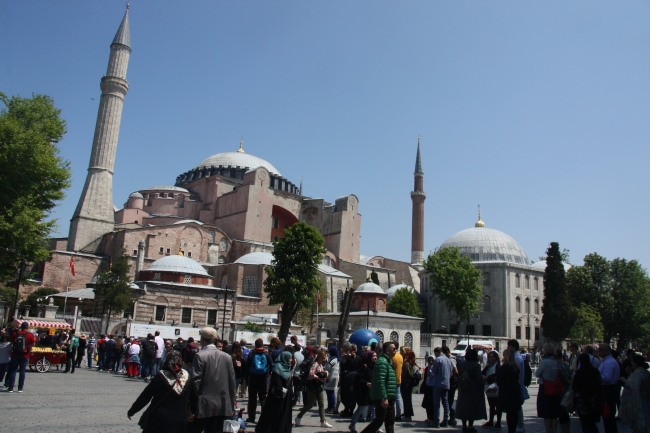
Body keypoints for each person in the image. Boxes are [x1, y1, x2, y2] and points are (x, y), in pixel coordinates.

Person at [128, 350, 193, 433]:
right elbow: (194, 397)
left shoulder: (160, 376)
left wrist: (132, 411)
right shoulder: (187, 377)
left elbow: (145, 396)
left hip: (158, 419)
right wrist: (193, 412)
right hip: (179, 420)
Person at [187, 326, 237, 433]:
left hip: (203, 404)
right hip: (223, 403)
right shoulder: (227, 357)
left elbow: (195, 383)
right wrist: (232, 402)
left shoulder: (200, 356)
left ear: (203, 339)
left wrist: (190, 407)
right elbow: (232, 382)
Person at [361, 341, 397, 433]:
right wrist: (384, 397)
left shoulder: (389, 361)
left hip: (389, 397)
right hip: (382, 397)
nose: (396, 350)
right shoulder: (382, 362)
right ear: (388, 350)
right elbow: (380, 381)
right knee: (379, 421)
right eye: (394, 349)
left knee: (390, 421)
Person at [535, 343, 571, 433]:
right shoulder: (556, 361)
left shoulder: (544, 361)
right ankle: (554, 430)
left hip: (545, 388)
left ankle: (548, 431)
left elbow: (537, 374)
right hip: (555, 389)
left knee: (547, 414)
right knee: (554, 414)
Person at [255, 350, 295, 433]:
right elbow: (277, 383)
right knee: (275, 414)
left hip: (285, 397)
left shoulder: (287, 368)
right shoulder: (277, 368)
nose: (291, 360)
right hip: (277, 397)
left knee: (283, 414)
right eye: (290, 358)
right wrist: (280, 392)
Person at [295, 348, 333, 428]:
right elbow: (311, 374)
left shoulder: (321, 365)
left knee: (321, 404)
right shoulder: (315, 364)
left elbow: (321, 373)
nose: (324, 360)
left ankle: (323, 421)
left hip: (320, 386)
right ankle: (298, 416)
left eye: (324, 358)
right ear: (319, 357)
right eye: (322, 358)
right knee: (310, 404)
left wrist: (325, 374)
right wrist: (320, 378)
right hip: (313, 386)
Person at [456, 348, 487, 432]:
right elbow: (479, 378)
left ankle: (464, 426)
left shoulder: (462, 364)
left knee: (463, 407)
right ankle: (470, 426)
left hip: (463, 388)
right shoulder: (476, 365)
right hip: (473, 389)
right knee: (472, 408)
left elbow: (459, 376)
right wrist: (482, 385)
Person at [572, 353, 603, 433]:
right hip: (594, 399)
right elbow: (599, 384)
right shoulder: (595, 371)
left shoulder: (580, 372)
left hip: (582, 400)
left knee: (584, 422)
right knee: (592, 421)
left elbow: (574, 386)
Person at [619, 354, 650, 433]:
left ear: (635, 363)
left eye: (632, 362)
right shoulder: (644, 371)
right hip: (645, 401)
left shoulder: (638, 373)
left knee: (639, 423)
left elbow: (634, 386)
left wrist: (624, 380)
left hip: (639, 401)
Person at [245, 338, 272, 423]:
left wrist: (246, 377)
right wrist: (268, 373)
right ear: (262, 345)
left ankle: (251, 417)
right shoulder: (266, 353)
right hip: (263, 377)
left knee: (252, 398)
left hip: (253, 377)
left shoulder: (252, 353)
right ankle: (264, 417)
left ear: (255, 345)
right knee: (263, 397)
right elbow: (271, 364)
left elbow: (247, 365)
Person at [350, 350, 376, 433]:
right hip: (364, 391)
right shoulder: (364, 366)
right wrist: (366, 383)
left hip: (372, 391)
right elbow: (359, 378)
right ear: (368, 357)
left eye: (376, 356)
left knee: (373, 410)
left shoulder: (376, 366)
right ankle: (352, 425)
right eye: (373, 356)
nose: (375, 357)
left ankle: (376, 427)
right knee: (360, 409)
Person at [497, 349, 523, 433]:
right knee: (514, 412)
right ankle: (513, 429)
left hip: (506, 392)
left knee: (509, 413)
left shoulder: (504, 367)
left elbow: (499, 381)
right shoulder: (515, 367)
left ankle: (510, 430)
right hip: (515, 391)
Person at [5, 321, 36, 392]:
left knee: (13, 370)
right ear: (27, 327)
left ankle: (11, 387)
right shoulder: (30, 335)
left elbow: (12, 343)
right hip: (25, 355)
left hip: (15, 354)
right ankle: (20, 388)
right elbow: (33, 344)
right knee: (22, 371)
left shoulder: (15, 333)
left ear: (21, 326)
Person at [598, 343, 621, 433]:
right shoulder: (606, 361)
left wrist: (597, 375)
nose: (598, 352)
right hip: (607, 390)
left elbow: (607, 378)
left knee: (608, 417)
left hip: (608, 390)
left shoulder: (609, 362)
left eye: (600, 350)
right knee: (607, 418)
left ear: (606, 351)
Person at [430, 345, 454, 428]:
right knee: (446, 402)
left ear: (437, 353)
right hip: (446, 383)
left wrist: (430, 371)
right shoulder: (448, 360)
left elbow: (434, 371)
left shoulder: (438, 359)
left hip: (437, 383)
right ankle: (446, 420)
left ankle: (436, 421)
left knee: (436, 403)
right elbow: (451, 372)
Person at [508, 339, 526, 433]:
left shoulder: (517, 358)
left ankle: (520, 424)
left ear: (514, 347)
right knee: (515, 406)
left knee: (517, 406)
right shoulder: (514, 357)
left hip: (517, 385)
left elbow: (517, 373)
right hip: (515, 385)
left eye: (509, 346)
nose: (508, 348)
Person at [482, 350, 502, 429]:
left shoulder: (497, 365)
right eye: (490, 357)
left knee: (497, 404)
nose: (491, 358)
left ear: (496, 357)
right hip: (488, 386)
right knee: (491, 405)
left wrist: (488, 377)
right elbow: (482, 372)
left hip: (495, 386)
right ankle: (491, 421)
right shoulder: (489, 365)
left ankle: (498, 422)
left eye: (493, 357)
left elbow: (497, 376)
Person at [442, 346, 459, 426]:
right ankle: (451, 417)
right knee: (449, 399)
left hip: (452, 382)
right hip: (451, 381)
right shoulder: (451, 359)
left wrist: (450, 376)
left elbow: (456, 371)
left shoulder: (452, 359)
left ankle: (452, 417)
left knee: (450, 400)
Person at [401, 349, 419, 422]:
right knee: (408, 399)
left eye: (406, 354)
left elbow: (405, 373)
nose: (405, 355)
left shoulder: (406, 363)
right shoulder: (412, 363)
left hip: (406, 382)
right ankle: (407, 413)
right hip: (410, 382)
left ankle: (408, 415)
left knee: (406, 399)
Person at [324, 345, 341, 413]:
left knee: (330, 392)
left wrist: (324, 368)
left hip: (331, 377)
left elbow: (328, 367)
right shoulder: (336, 358)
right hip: (334, 377)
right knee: (330, 392)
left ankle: (332, 407)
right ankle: (330, 406)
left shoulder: (333, 359)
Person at [391, 341, 404, 421]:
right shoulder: (400, 356)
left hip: (393, 379)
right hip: (399, 378)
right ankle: (398, 414)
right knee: (398, 397)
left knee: (392, 398)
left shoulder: (393, 356)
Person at [421, 355, 436, 424]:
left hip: (433, 386)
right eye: (429, 360)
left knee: (431, 403)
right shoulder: (427, 368)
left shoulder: (435, 368)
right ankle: (429, 417)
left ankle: (432, 417)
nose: (430, 362)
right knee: (427, 403)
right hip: (428, 386)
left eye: (432, 361)